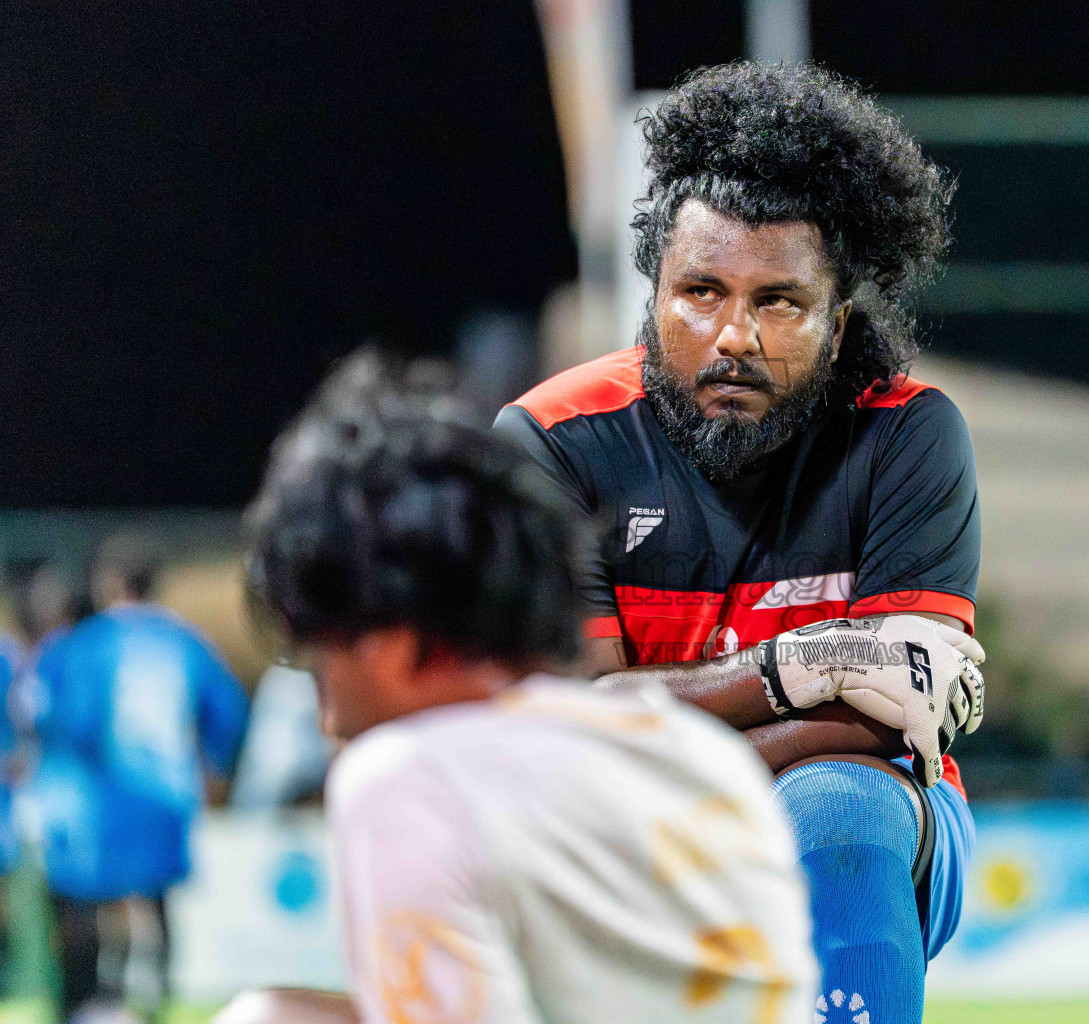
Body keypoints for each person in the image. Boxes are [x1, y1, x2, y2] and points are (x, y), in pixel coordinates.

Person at [497, 62, 983, 1024]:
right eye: (701, 291)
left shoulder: (908, 433)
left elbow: (901, 725)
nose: (733, 336)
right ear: (654, 297)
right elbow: (567, 734)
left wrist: (657, 720)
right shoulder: (550, 440)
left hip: (855, 816)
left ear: (838, 327)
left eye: (779, 302)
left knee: (837, 806)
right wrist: (801, 669)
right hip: (619, 830)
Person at [218, 353, 816, 1024]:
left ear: (389, 643)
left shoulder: (407, 777)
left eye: (317, 661)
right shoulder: (697, 752)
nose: (329, 719)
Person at [22, 538, 249, 1023]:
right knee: (157, 903)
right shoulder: (186, 641)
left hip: (99, 801)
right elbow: (228, 711)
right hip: (167, 796)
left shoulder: (85, 643)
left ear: (110, 583)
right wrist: (214, 766)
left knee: (89, 908)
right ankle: (155, 1004)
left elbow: (65, 718)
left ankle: (95, 1004)